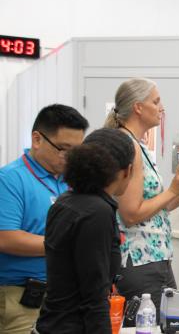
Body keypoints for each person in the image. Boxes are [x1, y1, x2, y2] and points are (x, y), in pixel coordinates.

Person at [104, 78, 179, 322]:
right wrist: (172, 190)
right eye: (156, 101)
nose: (161, 108)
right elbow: (130, 214)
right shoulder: (127, 146)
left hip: (156, 257)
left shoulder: (138, 146)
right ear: (138, 107)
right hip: (139, 261)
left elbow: (158, 209)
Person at [34, 128, 135, 334]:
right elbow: (94, 297)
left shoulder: (65, 201)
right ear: (127, 170)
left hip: (50, 323)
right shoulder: (97, 212)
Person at [0, 104, 88, 334]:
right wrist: (67, 245)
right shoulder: (10, 179)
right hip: (23, 299)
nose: (71, 158)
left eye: (77, 151)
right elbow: (6, 238)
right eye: (63, 149)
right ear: (37, 139)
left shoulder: (71, 182)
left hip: (67, 298)